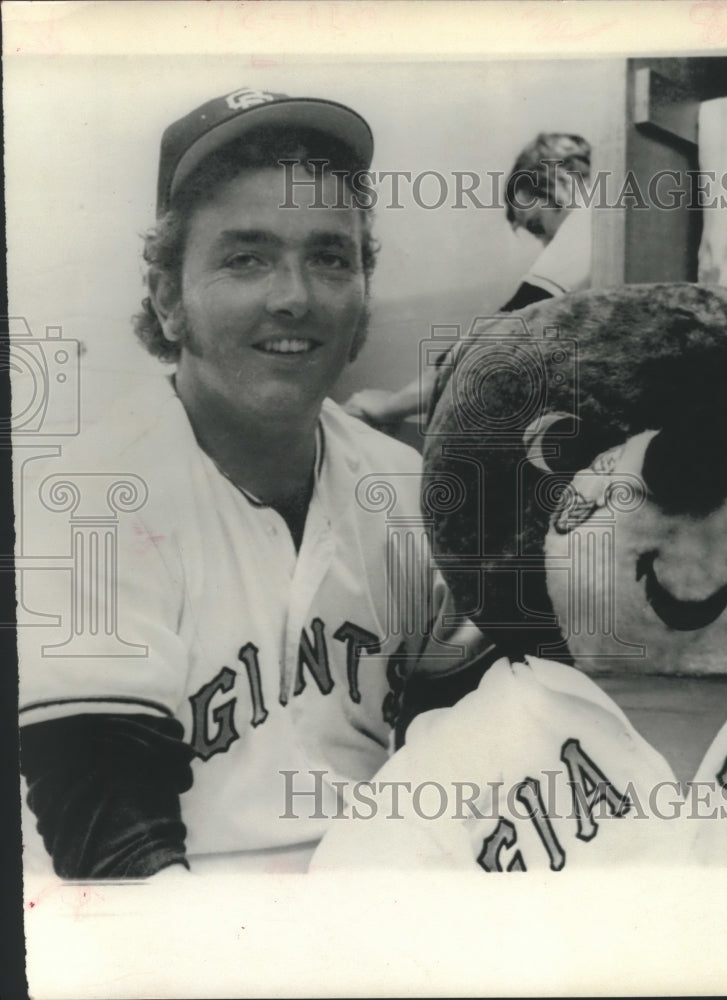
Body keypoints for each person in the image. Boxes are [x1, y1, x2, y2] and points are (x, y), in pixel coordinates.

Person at [17, 88, 438, 877]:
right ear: (169, 299)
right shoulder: (92, 504)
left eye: (329, 257)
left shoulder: (411, 495)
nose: (294, 296)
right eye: (245, 258)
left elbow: (487, 763)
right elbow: (112, 841)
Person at [342, 132, 592, 430]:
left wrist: (390, 407)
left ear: (558, 181)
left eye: (538, 226)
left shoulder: (586, 222)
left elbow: (492, 336)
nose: (547, 246)